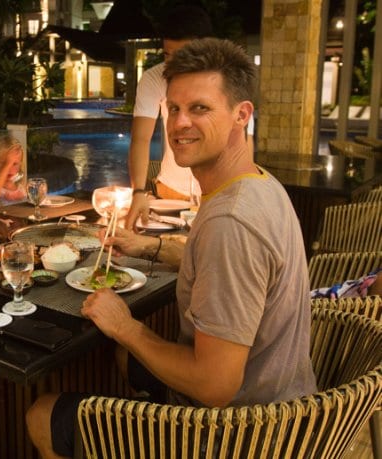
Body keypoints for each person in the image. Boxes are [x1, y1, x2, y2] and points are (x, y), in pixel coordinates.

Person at [26, 38, 317, 458]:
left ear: (242, 115)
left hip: (239, 436)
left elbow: (214, 386)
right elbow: (224, 269)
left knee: (44, 413)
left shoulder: (230, 222)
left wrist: (125, 325)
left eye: (199, 108)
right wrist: (150, 247)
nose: (180, 123)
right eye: (173, 109)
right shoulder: (259, 185)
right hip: (283, 407)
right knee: (130, 361)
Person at [124, 5, 254, 230]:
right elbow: (141, 139)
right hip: (171, 193)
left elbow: (244, 145)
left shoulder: (225, 83)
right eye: (167, 55)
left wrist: (240, 195)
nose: (173, 66)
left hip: (218, 192)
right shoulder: (155, 78)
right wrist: (138, 192)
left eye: (181, 56)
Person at [0, 134, 27, 209]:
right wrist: (8, 165)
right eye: (4, 163)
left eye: (14, 164)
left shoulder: (22, 189)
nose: (9, 168)